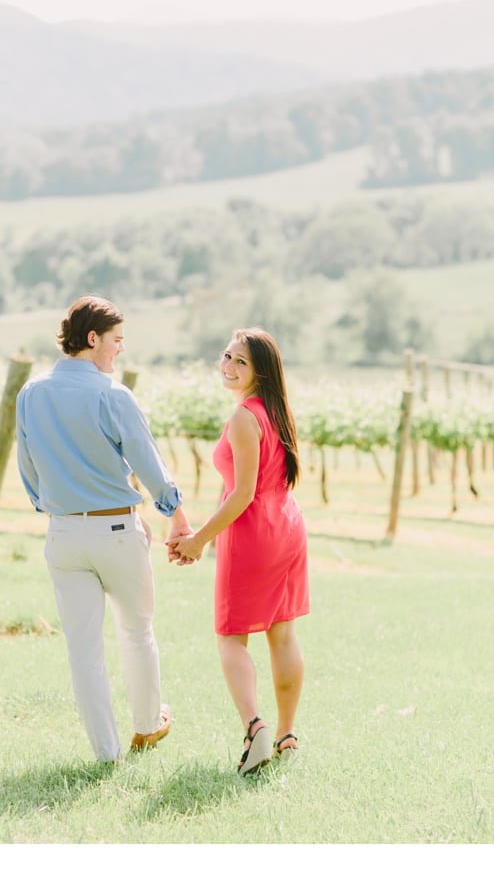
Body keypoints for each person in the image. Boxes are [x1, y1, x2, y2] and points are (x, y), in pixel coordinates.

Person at [16, 295, 191, 763]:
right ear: (93, 339)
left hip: (63, 535)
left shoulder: (30, 394)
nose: (119, 350)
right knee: (137, 631)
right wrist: (176, 513)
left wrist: (55, 507)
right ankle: (148, 727)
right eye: (116, 341)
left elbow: (28, 470)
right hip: (116, 531)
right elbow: (148, 463)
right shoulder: (112, 395)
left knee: (83, 649)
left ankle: (107, 753)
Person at [169, 328, 309, 775]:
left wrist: (199, 539)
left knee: (231, 637)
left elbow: (242, 494)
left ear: (260, 372)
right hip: (287, 525)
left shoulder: (244, 419)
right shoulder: (276, 412)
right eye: (226, 356)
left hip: (253, 534)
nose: (227, 366)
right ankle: (287, 733)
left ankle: (256, 730)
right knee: (282, 635)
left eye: (240, 362)